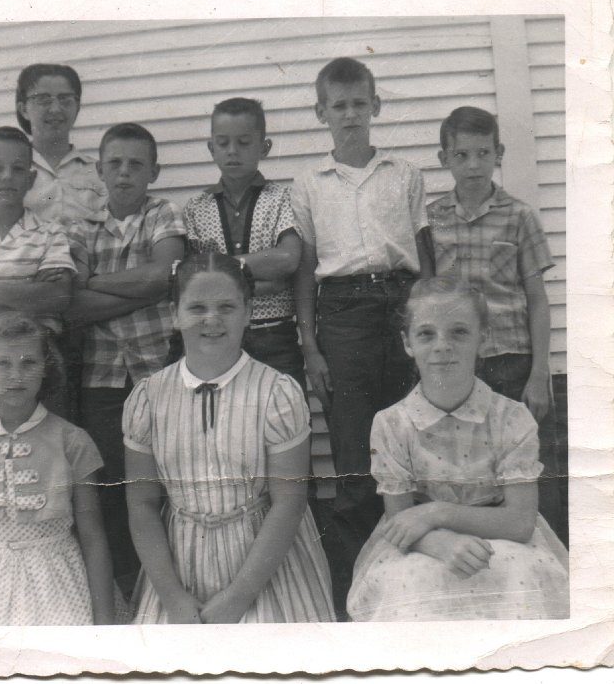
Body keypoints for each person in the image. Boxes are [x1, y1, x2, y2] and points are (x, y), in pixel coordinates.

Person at [291, 56, 434, 615]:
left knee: (412, 438)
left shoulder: (404, 174)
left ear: (375, 107)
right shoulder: (309, 183)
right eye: (338, 106)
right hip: (343, 315)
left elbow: (425, 259)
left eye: (359, 103)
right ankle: (358, 592)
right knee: (354, 452)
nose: (349, 115)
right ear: (321, 112)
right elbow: (305, 269)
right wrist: (309, 343)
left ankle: (415, 581)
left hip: (401, 304)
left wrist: (423, 319)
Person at [123, 254, 334, 624]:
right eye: (197, 307)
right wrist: (171, 596)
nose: (212, 320)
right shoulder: (148, 398)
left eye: (226, 307)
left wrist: (239, 597)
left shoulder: (276, 394)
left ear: (248, 311)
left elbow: (289, 503)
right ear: (174, 313)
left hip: (262, 565)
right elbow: (141, 504)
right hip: (179, 566)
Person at [347, 278, 569, 621]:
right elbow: (400, 518)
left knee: (519, 575)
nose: (442, 346)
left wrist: (439, 513)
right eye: (426, 334)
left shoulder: (511, 417)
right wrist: (441, 542)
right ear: (407, 343)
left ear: (484, 338)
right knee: (412, 580)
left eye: (459, 332)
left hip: (504, 536)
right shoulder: (392, 424)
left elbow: (521, 522)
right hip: (422, 542)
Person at [427, 106, 562, 537]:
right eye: (461, 155)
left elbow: (538, 301)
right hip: (459, 366)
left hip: (512, 362)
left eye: (482, 153)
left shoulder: (519, 216)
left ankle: (551, 558)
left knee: (529, 470)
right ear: (443, 157)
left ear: (498, 153)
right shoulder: (431, 221)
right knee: (468, 469)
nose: (473, 165)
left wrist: (540, 374)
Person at [67, 122, 186, 601]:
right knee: (115, 486)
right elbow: (71, 304)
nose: (124, 173)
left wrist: (97, 282)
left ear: (153, 171)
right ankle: (131, 594)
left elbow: (167, 275)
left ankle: (170, 584)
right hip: (102, 380)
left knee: (166, 481)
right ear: (99, 170)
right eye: (114, 163)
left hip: (159, 370)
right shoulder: (81, 229)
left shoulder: (163, 214)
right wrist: (141, 290)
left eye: (136, 164)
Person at [0, 312, 114, 626]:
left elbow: (93, 535)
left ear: (46, 368)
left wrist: (105, 622)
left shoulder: (71, 440)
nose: (16, 375)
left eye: (28, 362)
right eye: (2, 363)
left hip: (59, 581)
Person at [183, 97, 305, 392]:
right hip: (216, 335)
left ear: (264, 147)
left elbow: (288, 258)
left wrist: (221, 268)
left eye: (244, 142)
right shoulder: (195, 208)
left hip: (274, 334)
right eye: (223, 143)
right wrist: (266, 278)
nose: (233, 151)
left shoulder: (282, 198)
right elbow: (195, 279)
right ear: (211, 148)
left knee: (286, 415)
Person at [0, 126, 75, 430]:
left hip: (38, 363)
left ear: (31, 178)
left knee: (47, 447)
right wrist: (29, 293)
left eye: (17, 169)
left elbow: (57, 297)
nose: (7, 176)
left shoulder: (50, 233)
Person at [0, 63, 106, 227]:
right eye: (43, 100)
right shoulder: (2, 172)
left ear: (77, 107)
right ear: (23, 109)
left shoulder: (99, 173)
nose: (55, 109)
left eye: (65, 99)